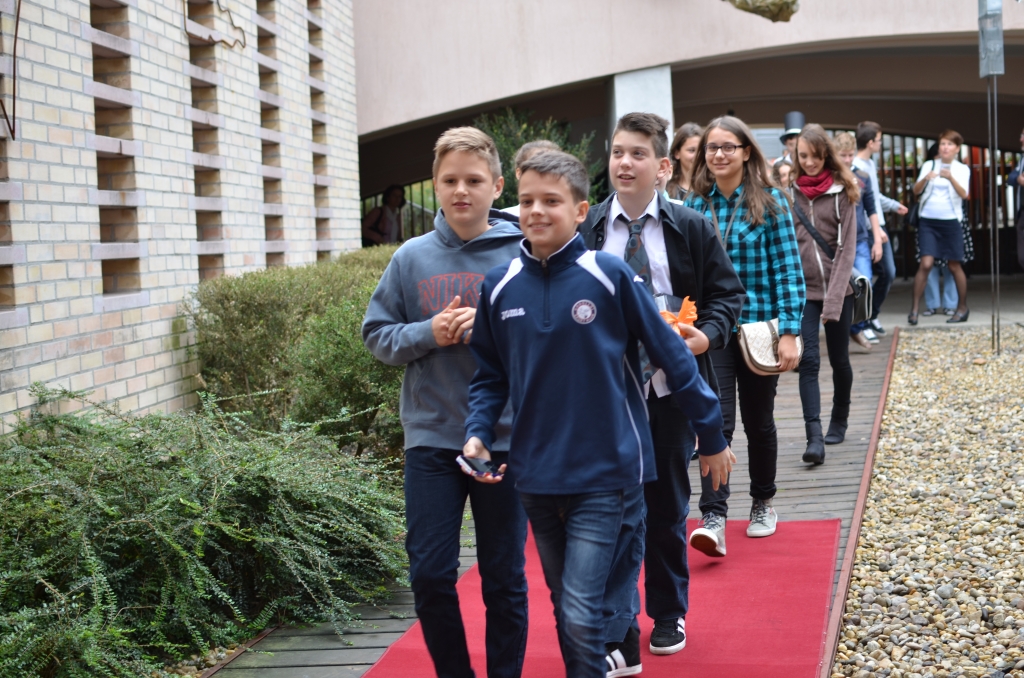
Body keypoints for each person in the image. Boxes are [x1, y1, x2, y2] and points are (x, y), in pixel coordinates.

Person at [462, 150, 733, 678]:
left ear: (581, 210)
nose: (536, 211)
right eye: (527, 200)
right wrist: (477, 434)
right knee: (569, 612)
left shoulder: (609, 275)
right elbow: (491, 377)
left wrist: (711, 432)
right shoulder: (498, 286)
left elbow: (674, 356)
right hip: (536, 477)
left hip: (608, 472)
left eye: (551, 201)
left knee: (582, 612)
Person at [579, 113, 745, 665]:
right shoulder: (587, 228)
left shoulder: (691, 226)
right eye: (617, 153)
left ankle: (668, 611)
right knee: (609, 510)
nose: (624, 163)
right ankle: (616, 623)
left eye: (638, 154)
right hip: (605, 392)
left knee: (667, 505)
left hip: (669, 386)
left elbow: (726, 295)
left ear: (664, 167)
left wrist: (707, 336)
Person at [362, 127, 529, 678]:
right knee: (430, 574)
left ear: (497, 186)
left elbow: (549, 337)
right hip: (432, 437)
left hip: (506, 438)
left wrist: (495, 330)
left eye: (474, 180)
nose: (462, 190)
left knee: (504, 578)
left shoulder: (522, 254)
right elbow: (376, 335)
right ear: (434, 185)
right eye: (450, 180)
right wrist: (428, 332)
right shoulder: (410, 258)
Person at [684, 116, 806, 552]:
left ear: (746, 151)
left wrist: (790, 332)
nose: (719, 155)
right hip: (712, 329)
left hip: (758, 328)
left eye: (728, 147)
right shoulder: (694, 205)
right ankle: (713, 514)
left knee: (759, 422)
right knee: (715, 421)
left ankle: (762, 502)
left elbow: (789, 272)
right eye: (711, 147)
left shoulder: (771, 203)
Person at [790, 124, 859, 465]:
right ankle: (814, 436)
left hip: (838, 289)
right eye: (803, 156)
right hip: (804, 291)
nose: (809, 162)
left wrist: (834, 300)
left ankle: (840, 418)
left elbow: (847, 251)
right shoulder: (788, 194)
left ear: (826, 155)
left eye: (815, 156)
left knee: (839, 359)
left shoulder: (843, 191)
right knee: (808, 361)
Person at [908, 129, 971, 325]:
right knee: (926, 264)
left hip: (951, 221)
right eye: (943, 143)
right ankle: (914, 309)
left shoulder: (962, 169)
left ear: (957, 149)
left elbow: (964, 194)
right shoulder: (929, 165)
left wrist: (950, 177)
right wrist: (925, 178)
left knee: (954, 265)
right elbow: (916, 190)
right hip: (928, 221)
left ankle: (962, 307)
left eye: (950, 144)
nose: (945, 147)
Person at [852, 122, 909, 336]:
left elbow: (873, 198)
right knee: (871, 276)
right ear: (870, 143)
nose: (880, 143)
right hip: (868, 229)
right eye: (878, 140)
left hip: (877, 226)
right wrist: (876, 230)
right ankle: (864, 321)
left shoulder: (869, 164)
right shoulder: (856, 166)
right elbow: (862, 206)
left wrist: (893, 205)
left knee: (886, 273)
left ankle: (870, 316)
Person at [834, 132, 882, 349]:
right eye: (842, 155)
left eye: (850, 155)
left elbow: (871, 209)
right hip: (836, 241)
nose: (847, 159)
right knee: (841, 288)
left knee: (865, 282)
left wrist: (877, 240)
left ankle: (856, 328)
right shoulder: (829, 177)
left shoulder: (862, 176)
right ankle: (845, 331)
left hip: (860, 239)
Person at [502, 140, 562, 217]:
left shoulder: (567, 217)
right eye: (535, 168)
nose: (543, 174)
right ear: (519, 173)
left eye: (550, 168)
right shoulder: (505, 217)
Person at [666, 122, 703, 200]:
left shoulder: (712, 187)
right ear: (677, 153)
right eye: (692, 150)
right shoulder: (665, 189)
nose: (698, 156)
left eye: (701, 150)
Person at [1009, 126, 1024, 269]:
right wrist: (1018, 179)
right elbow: (1012, 177)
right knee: (1022, 257)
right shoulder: (1023, 159)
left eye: (1023, 136)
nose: (1021, 139)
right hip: (1023, 212)